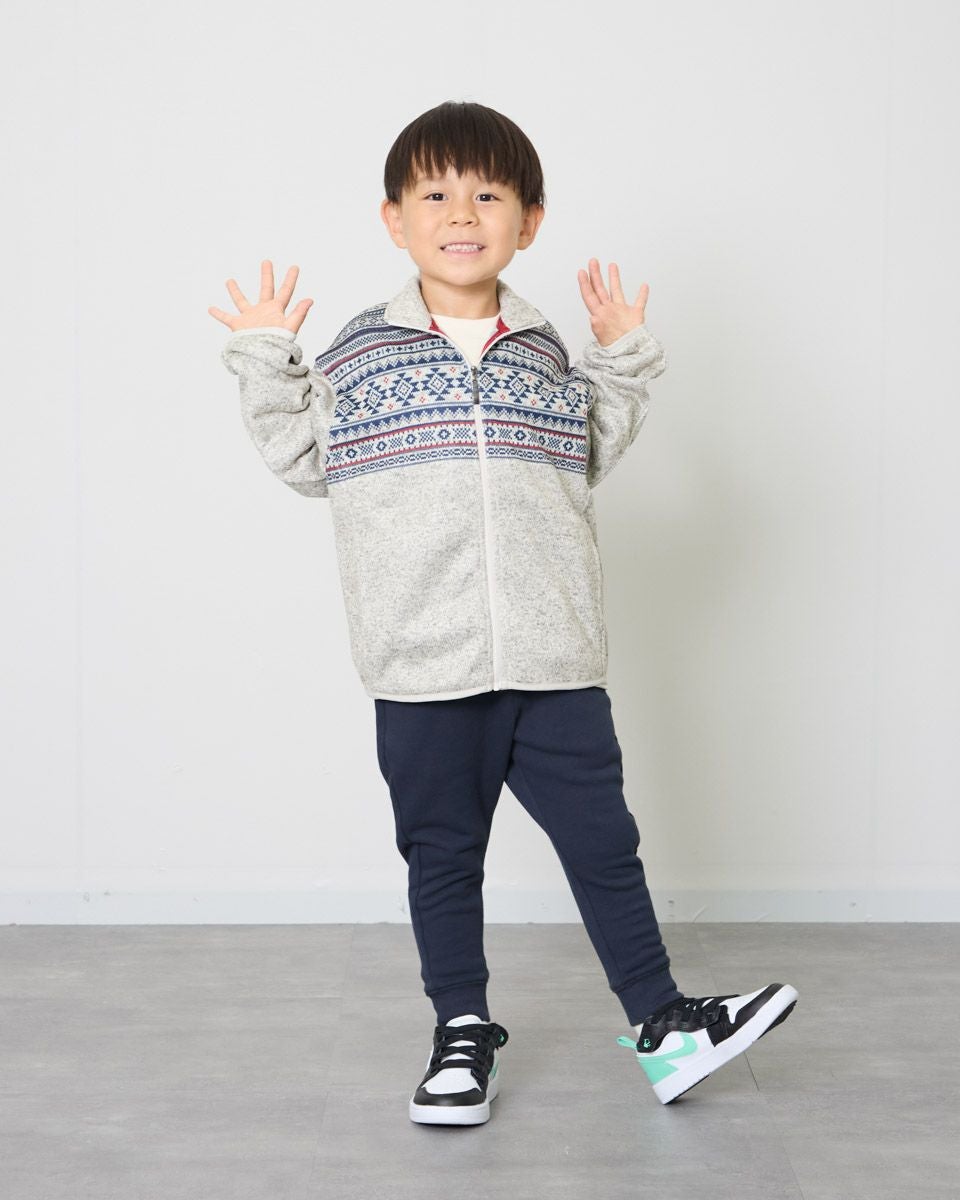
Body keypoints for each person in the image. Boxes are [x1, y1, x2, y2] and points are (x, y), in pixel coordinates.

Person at [210, 100, 798, 1125]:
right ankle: (460, 1035)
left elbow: (587, 455)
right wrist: (267, 356)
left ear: (529, 220)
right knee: (444, 856)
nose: (461, 213)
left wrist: (621, 358)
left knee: (604, 843)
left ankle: (664, 1028)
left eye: (488, 194)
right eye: (435, 193)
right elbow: (306, 459)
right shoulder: (360, 355)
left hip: (553, 656)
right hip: (423, 661)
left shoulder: (541, 354)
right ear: (394, 219)